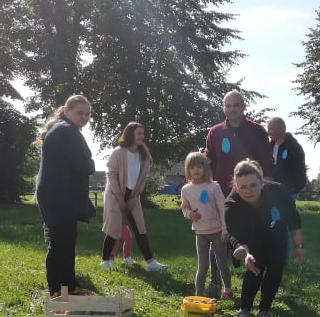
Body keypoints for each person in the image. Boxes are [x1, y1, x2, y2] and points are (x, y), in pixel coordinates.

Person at [204, 89, 276, 294]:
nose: (232, 109)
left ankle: (255, 278)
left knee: (253, 236)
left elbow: (267, 161)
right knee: (217, 239)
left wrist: (266, 186)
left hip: (250, 193)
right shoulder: (215, 132)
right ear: (223, 108)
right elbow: (208, 160)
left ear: (244, 106)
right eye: (228, 105)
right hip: (220, 192)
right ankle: (216, 282)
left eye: (236, 105)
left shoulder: (257, 131)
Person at [224, 160, 306, 317]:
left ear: (262, 182)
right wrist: (246, 255)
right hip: (250, 237)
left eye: (253, 185)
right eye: (243, 187)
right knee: (255, 268)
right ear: (236, 187)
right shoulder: (231, 206)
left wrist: (299, 247)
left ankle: (264, 311)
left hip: (276, 234)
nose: (248, 191)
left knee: (275, 269)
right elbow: (237, 237)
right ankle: (245, 308)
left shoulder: (279, 193)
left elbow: (294, 221)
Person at [35, 94, 96, 296]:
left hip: (56, 194)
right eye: (80, 113)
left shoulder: (62, 129)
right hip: (58, 196)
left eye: (87, 114)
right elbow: (86, 165)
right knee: (62, 244)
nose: (84, 117)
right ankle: (57, 290)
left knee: (64, 242)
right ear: (67, 110)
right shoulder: (67, 131)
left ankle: (67, 287)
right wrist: (90, 161)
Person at [100, 122, 167, 272]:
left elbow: (142, 180)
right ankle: (105, 261)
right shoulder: (118, 152)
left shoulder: (144, 156)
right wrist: (119, 197)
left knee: (139, 228)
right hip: (115, 194)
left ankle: (151, 263)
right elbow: (111, 174)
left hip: (132, 196)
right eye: (139, 133)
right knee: (113, 227)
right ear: (130, 134)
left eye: (143, 134)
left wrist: (133, 198)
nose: (142, 136)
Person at [180, 152, 233, 299]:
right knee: (202, 265)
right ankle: (198, 296)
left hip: (217, 232)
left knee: (222, 263)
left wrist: (225, 229)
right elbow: (184, 208)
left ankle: (228, 290)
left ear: (205, 168)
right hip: (200, 233)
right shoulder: (186, 189)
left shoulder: (213, 186)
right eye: (192, 167)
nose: (196, 170)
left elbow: (223, 208)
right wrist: (189, 214)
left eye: (199, 166)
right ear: (188, 170)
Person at [267, 117, 308, 198]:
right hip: (271, 190)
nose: (268, 132)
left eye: (270, 129)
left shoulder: (294, 147)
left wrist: (293, 189)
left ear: (280, 129)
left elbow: (299, 172)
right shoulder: (269, 146)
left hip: (288, 192)